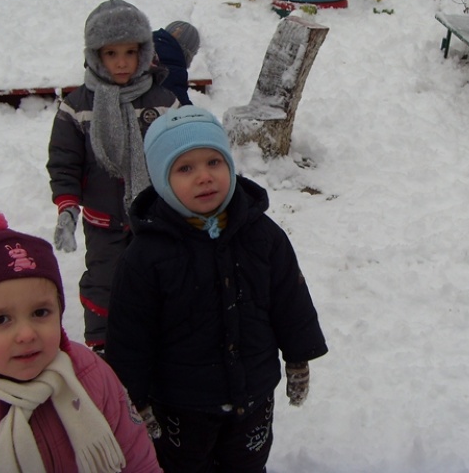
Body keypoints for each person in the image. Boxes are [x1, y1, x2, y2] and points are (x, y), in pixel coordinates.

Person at [106, 105, 328, 473]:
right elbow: (130, 336)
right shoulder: (145, 257)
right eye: (185, 168)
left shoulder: (263, 236)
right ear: (161, 179)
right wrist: (134, 399)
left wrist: (298, 356)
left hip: (254, 392)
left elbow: (290, 300)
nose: (204, 177)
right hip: (181, 404)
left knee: (247, 464)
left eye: (214, 162)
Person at [0, 210, 163, 473]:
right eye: (1, 319)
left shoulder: (90, 373)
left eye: (40, 313)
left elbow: (137, 457)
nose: (26, 334)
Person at [47, 0, 178, 353]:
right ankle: (104, 346)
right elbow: (64, 161)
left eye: (130, 52)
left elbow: (183, 155)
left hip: (155, 218)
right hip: (103, 220)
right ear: (95, 56)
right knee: (104, 282)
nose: (121, 62)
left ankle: (160, 342)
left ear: (143, 52)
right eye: (111, 53)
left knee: (159, 278)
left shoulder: (163, 102)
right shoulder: (78, 106)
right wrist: (67, 208)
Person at [152, 21, 200, 106]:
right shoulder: (174, 74)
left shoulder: (141, 58)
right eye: (194, 54)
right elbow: (185, 110)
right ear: (186, 55)